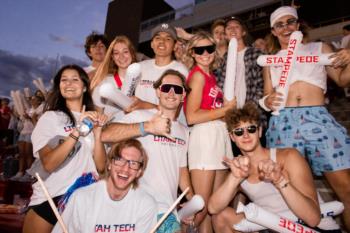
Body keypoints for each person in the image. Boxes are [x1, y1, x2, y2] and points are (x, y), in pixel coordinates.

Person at [262, 6, 350, 231]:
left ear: (298, 24)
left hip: (318, 118)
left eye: (290, 22)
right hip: (283, 124)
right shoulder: (270, 59)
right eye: (279, 25)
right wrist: (268, 101)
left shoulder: (320, 48)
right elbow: (267, 95)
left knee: (346, 189)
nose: (286, 28)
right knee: (290, 193)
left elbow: (341, 79)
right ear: (273, 31)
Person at [208, 103, 326, 233]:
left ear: (259, 131)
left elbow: (313, 219)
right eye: (239, 131)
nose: (246, 135)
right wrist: (235, 177)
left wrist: (280, 180)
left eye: (251, 129)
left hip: (310, 228)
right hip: (273, 228)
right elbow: (213, 208)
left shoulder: (288, 157)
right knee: (221, 217)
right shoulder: (239, 169)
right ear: (232, 137)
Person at [102, 70, 194, 233]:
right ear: (158, 91)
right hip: (133, 207)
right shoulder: (140, 115)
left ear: (183, 96)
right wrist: (148, 127)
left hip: (166, 211)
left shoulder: (184, 131)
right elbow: (106, 134)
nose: (171, 93)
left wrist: (191, 200)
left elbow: (182, 170)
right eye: (166, 88)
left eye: (177, 89)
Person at [22, 64, 108, 233]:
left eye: (75, 79)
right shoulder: (50, 118)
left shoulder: (93, 118)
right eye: (64, 80)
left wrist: (98, 134)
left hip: (84, 200)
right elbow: (49, 164)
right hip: (51, 197)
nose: (69, 83)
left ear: (84, 87)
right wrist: (77, 130)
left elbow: (101, 167)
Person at [183, 31, 236, 233]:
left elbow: (212, 110)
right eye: (199, 50)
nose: (205, 53)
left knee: (215, 205)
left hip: (218, 135)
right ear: (193, 53)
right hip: (204, 137)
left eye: (209, 48)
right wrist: (226, 109)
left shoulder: (210, 76)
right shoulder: (197, 76)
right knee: (202, 206)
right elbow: (191, 116)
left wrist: (225, 115)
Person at [51, 139, 157, 233]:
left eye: (133, 163)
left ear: (139, 172)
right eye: (120, 160)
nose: (125, 169)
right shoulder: (81, 198)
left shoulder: (146, 204)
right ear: (109, 164)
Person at [133, 23, 188, 112]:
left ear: (174, 46)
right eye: (158, 38)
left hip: (166, 123)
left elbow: (177, 109)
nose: (162, 41)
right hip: (138, 122)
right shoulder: (139, 67)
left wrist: (144, 105)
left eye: (168, 39)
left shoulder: (181, 70)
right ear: (152, 44)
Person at [90, 35, 137, 120]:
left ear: (132, 54)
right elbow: (97, 114)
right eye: (116, 53)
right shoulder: (104, 83)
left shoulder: (142, 81)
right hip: (114, 130)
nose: (121, 56)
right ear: (112, 57)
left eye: (125, 52)